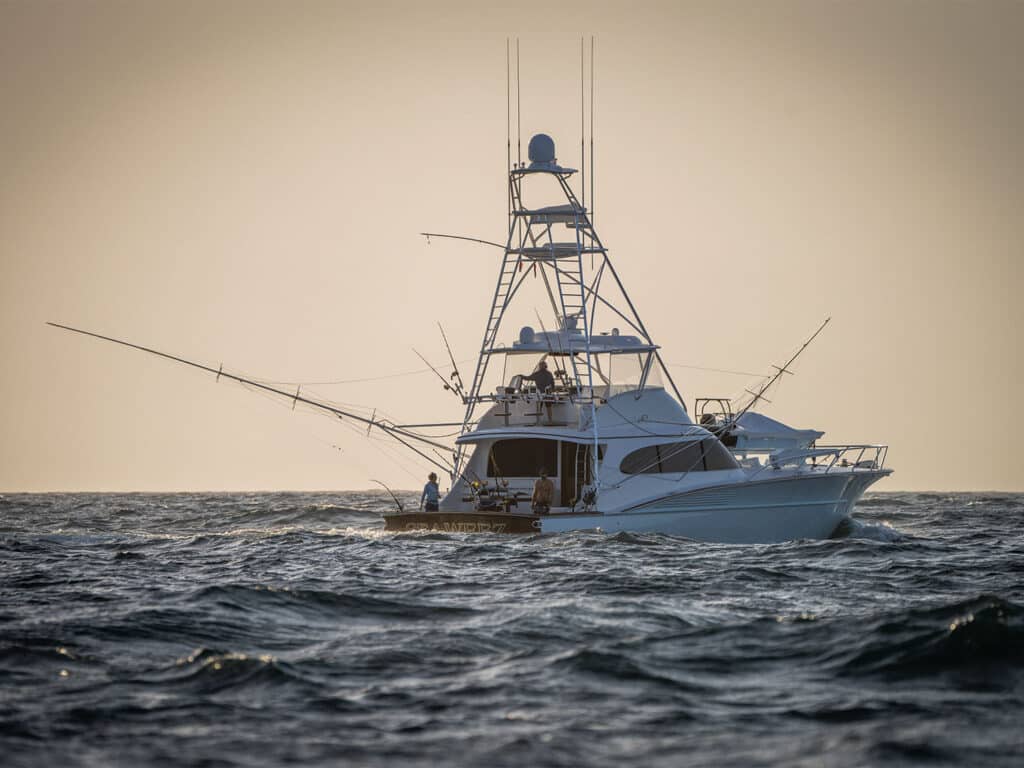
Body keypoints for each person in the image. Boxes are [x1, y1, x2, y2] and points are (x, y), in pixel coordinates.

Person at [522, 360, 556, 424]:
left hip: (544, 394)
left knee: (545, 407)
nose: (541, 366)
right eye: (540, 365)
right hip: (543, 393)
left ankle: (547, 420)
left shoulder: (542, 374)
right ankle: (545, 421)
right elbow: (528, 378)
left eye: (541, 365)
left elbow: (528, 378)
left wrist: (521, 376)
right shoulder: (546, 373)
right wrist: (521, 376)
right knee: (541, 407)